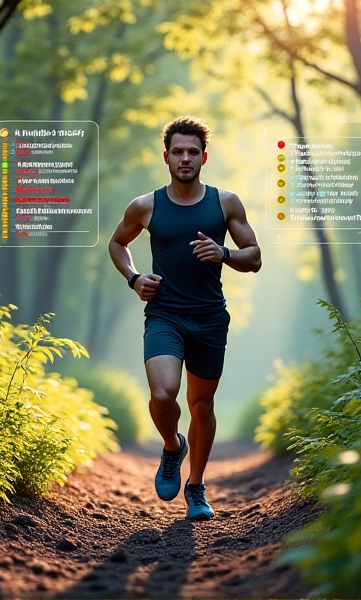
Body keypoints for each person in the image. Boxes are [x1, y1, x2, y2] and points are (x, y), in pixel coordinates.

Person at [108, 115, 262, 521]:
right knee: (163, 395)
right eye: (178, 151)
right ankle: (174, 447)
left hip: (210, 318)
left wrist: (224, 253)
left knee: (202, 406)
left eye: (193, 151)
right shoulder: (146, 206)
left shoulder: (225, 203)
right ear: (166, 156)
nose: (185, 158)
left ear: (204, 157)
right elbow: (118, 243)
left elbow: (255, 257)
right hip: (165, 315)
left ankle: (196, 487)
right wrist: (134, 277)